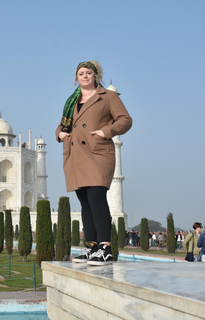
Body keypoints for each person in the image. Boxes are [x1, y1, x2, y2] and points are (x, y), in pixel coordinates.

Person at [56, 60, 132, 266]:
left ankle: (105, 248)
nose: (85, 76)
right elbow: (63, 124)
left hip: (98, 153)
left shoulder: (108, 96)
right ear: (76, 77)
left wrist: (105, 131)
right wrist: (60, 134)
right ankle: (92, 248)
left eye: (89, 72)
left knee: (97, 197)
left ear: (96, 75)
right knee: (86, 203)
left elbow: (125, 120)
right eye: (81, 73)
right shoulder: (72, 100)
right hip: (76, 156)